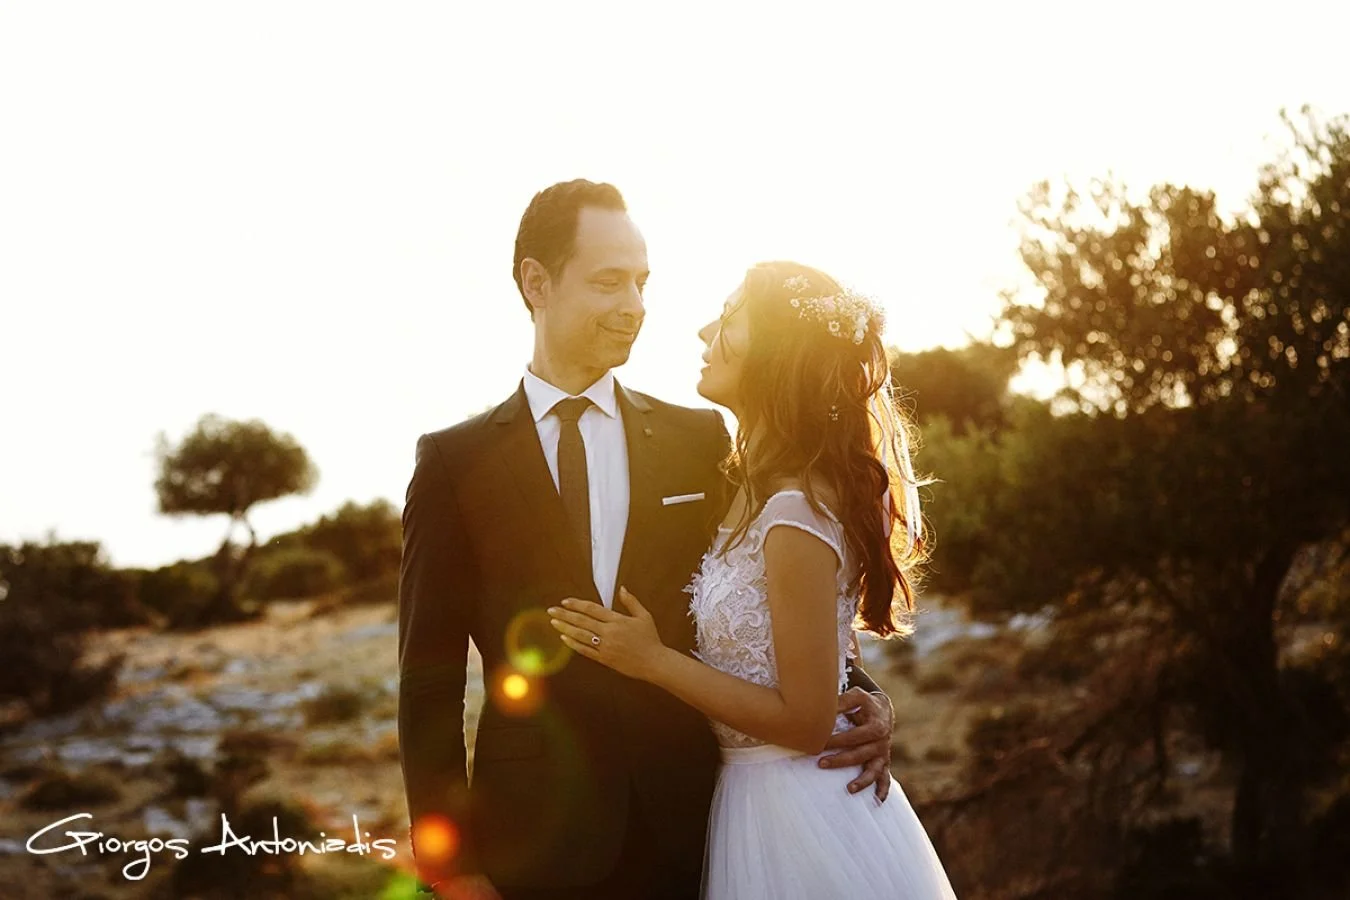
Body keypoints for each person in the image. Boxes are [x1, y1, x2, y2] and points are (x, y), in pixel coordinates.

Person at [397, 180, 897, 900]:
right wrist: (452, 869)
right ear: (536, 283)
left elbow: (775, 592)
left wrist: (868, 698)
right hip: (531, 842)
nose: (634, 305)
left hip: (694, 830)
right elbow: (429, 683)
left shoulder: (699, 439)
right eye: (609, 282)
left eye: (642, 282)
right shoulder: (454, 463)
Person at [548, 260, 959, 899]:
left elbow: (806, 720)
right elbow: (816, 649)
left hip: (799, 810)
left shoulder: (794, 512)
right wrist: (869, 697)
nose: (705, 332)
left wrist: (652, 660)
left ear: (775, 355)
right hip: (746, 794)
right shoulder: (742, 483)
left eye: (730, 319)